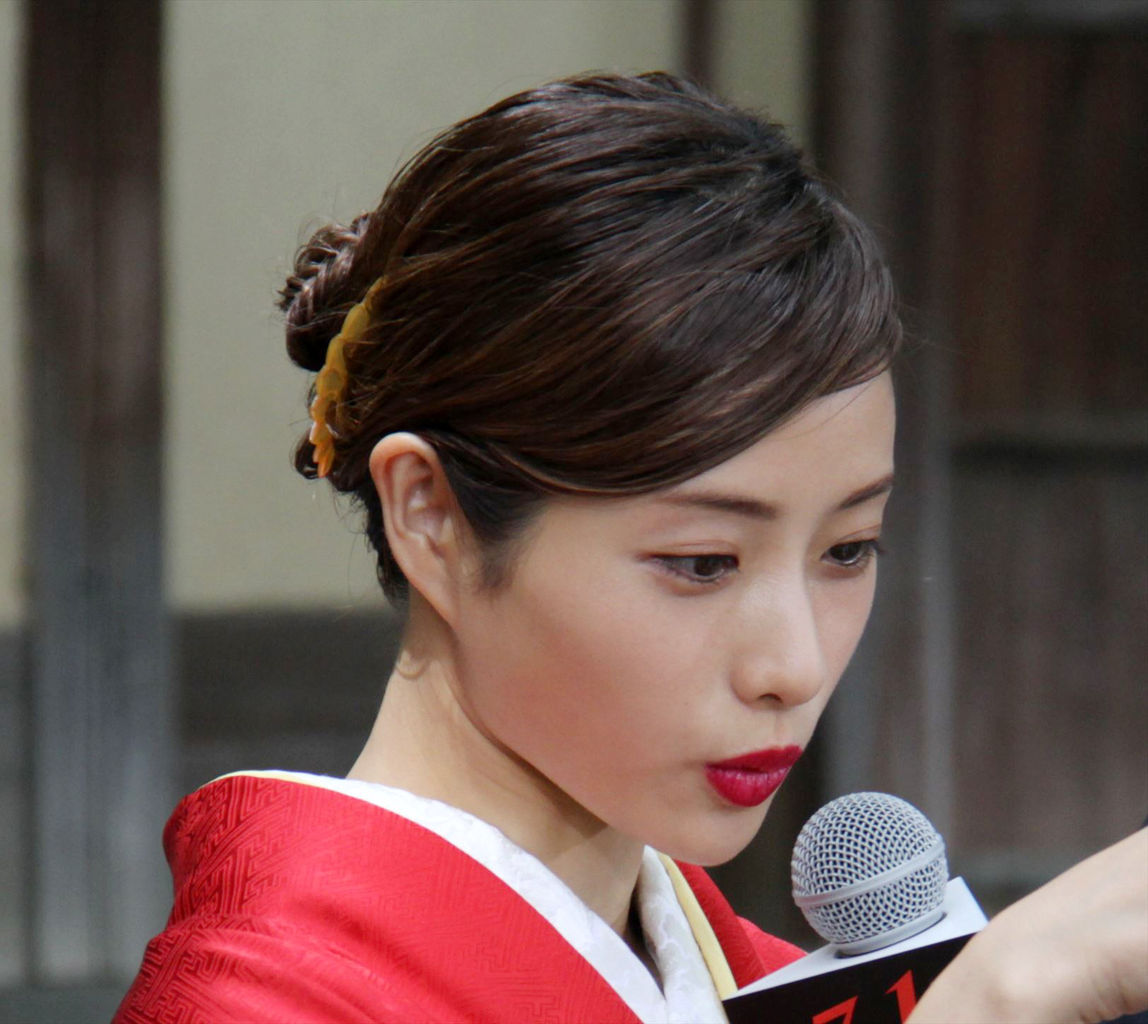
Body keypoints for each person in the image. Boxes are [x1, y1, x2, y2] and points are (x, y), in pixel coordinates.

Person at [114, 72, 1146, 1023]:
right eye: (702, 562)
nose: (792, 666)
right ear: (429, 514)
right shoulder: (251, 1002)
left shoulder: (744, 974)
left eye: (848, 549)